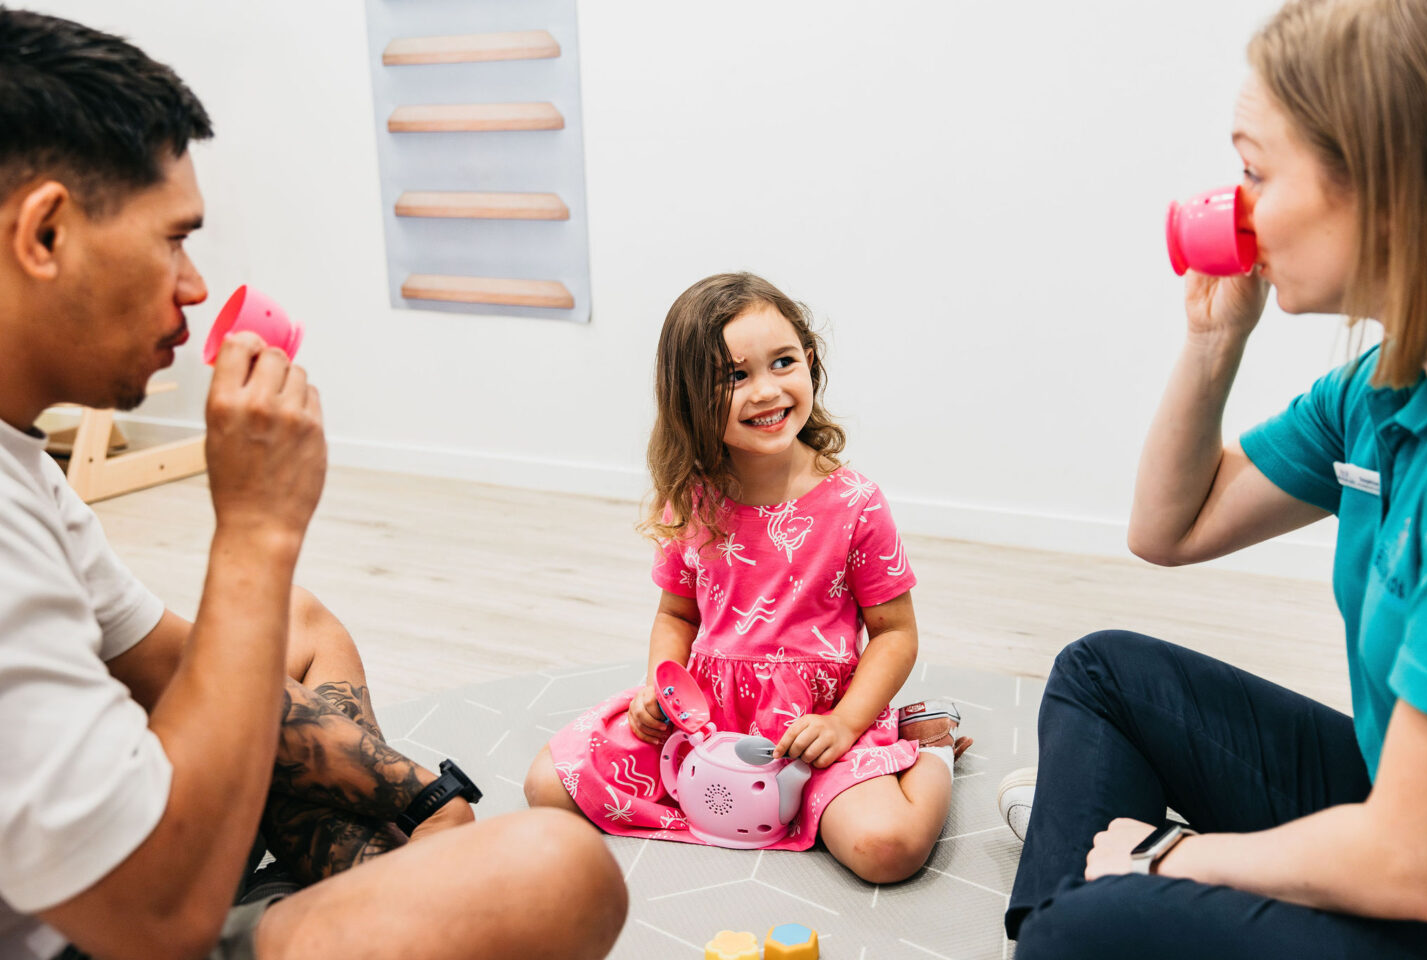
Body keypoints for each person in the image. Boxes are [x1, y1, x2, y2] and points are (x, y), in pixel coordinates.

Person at [0, 9, 626, 960]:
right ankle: (362, 872)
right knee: (557, 870)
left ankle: (363, 855)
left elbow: (165, 662)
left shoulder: (23, 466)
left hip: (114, 871)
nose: (196, 286)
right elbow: (153, 923)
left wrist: (423, 797)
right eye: (174, 239)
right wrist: (256, 526)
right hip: (124, 924)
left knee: (295, 625)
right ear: (45, 232)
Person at [995, 0, 1427, 956]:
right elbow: (1169, 531)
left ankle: (1079, 921)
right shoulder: (1379, 390)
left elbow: (1415, 860)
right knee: (1100, 673)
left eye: (1254, 171)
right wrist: (1213, 339)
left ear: (1387, 187)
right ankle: (1073, 925)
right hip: (1403, 802)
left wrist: (1173, 860)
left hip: (1422, 865)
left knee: (1099, 921)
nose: (1232, 205)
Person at [523, 272, 971, 882]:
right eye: (734, 376)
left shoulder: (856, 505)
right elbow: (677, 615)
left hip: (815, 728)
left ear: (809, 362)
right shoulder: (693, 501)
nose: (765, 391)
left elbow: (895, 633)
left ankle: (933, 746)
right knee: (547, 784)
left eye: (782, 362)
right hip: (709, 718)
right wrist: (661, 690)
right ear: (688, 397)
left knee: (885, 849)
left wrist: (844, 723)